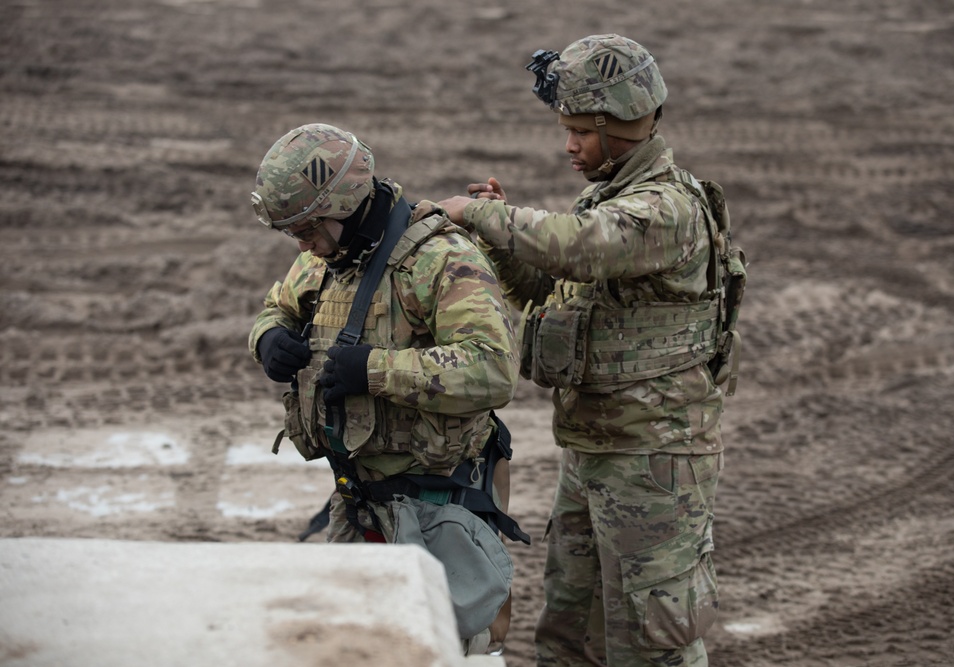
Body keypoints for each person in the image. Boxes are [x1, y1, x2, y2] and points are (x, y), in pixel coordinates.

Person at [439, 34, 746, 667]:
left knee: (649, 640)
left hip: (653, 457)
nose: (570, 145)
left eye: (580, 131)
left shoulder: (664, 209)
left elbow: (577, 245)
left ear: (616, 127)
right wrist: (501, 238)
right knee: (569, 632)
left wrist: (476, 215)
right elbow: (549, 291)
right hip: (594, 447)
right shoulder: (608, 198)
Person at [247, 123, 528, 655]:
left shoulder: (439, 257)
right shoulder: (325, 257)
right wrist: (268, 340)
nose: (302, 243)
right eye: (293, 233)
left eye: (307, 228)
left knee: (452, 651)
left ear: (346, 204)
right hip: (358, 504)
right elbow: (275, 308)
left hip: (438, 511)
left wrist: (375, 369)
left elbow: (493, 368)